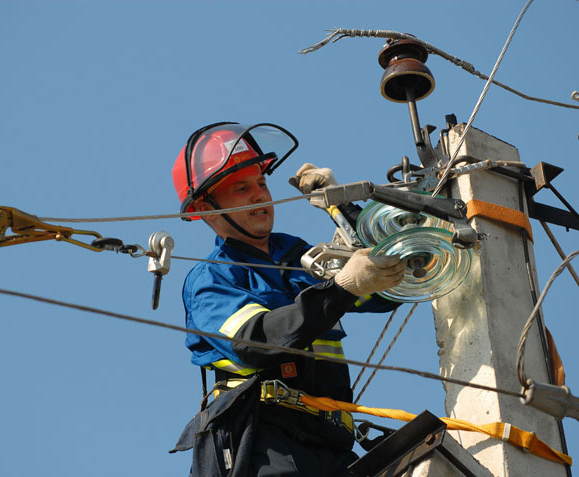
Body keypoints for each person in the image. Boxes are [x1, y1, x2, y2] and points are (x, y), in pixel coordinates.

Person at [170, 122, 405, 476]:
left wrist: (343, 207)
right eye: (241, 188)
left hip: (332, 447)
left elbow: (389, 283)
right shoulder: (212, 280)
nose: (259, 195)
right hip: (264, 446)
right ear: (206, 207)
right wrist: (342, 287)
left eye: (261, 184)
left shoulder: (295, 255)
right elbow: (258, 342)